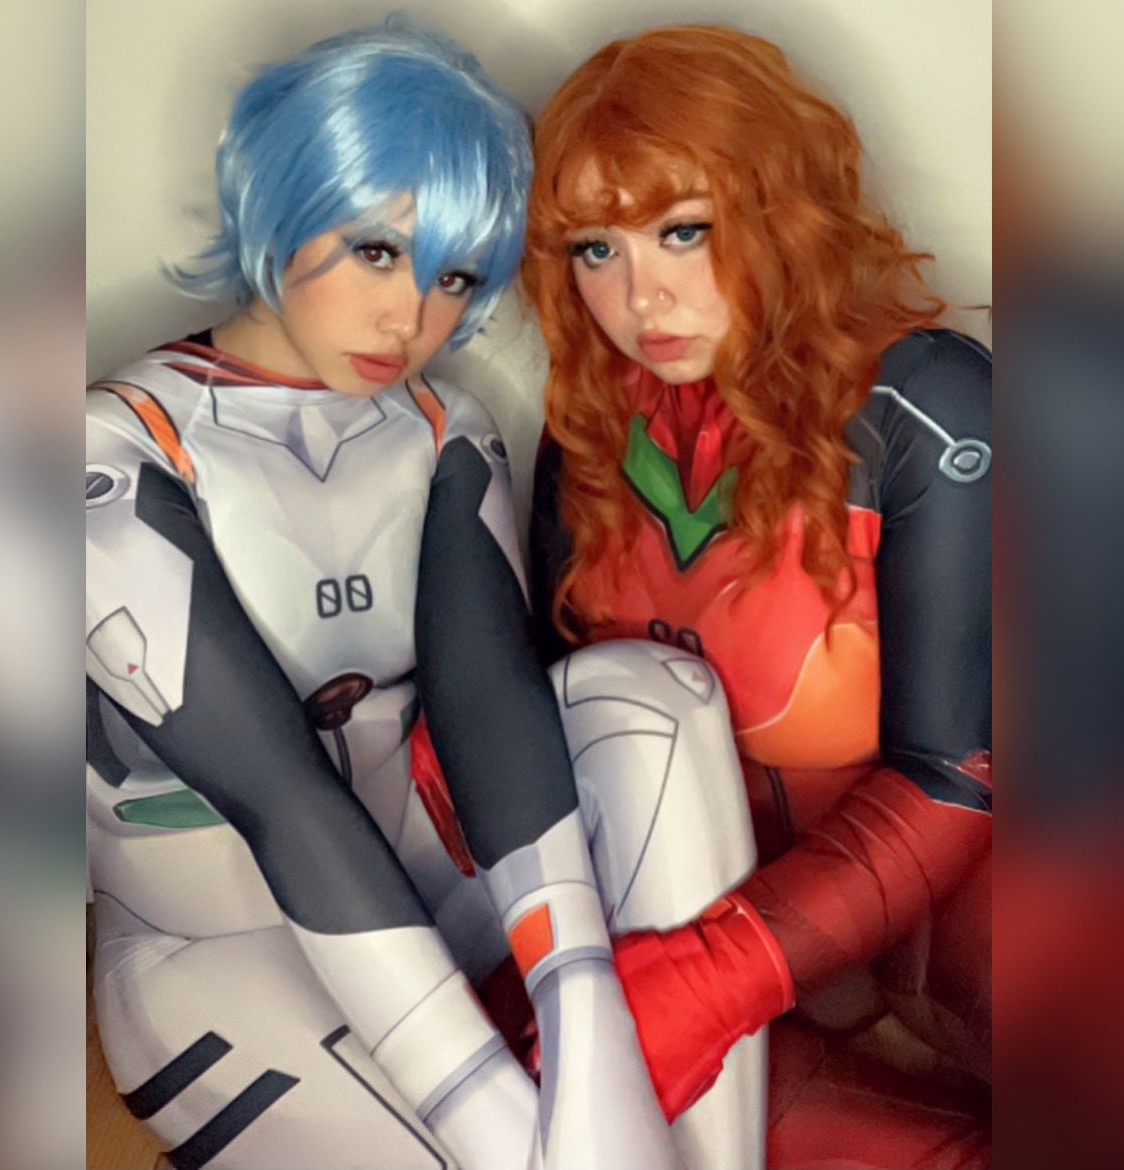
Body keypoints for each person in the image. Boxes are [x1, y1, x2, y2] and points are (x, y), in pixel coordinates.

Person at [86, 20, 684, 1170]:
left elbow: (490, 706)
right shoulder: (115, 446)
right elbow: (281, 797)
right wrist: (500, 1121)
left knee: (655, 697)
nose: (412, 319)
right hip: (218, 946)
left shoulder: (442, 424)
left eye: (453, 277)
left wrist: (586, 1013)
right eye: (376, 251)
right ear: (280, 203)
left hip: (439, 894)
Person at [522, 24, 992, 1170]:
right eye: (596, 248)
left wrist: (717, 975)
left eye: (684, 230)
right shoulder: (584, 433)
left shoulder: (922, 402)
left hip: (966, 904)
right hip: (721, 926)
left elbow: (960, 776)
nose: (641, 295)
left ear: (778, 212)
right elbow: (555, 724)